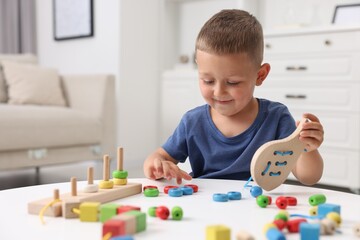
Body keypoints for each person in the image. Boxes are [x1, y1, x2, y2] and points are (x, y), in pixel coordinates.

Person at [143, 9, 324, 185]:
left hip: (257, 208)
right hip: (206, 205)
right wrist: (157, 165)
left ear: (260, 75)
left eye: (233, 82)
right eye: (208, 80)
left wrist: (307, 148)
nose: (219, 91)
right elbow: (159, 157)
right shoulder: (192, 121)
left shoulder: (276, 117)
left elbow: (308, 177)